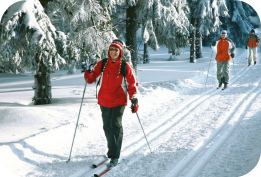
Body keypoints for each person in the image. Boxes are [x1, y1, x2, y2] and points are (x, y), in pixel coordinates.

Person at [84, 39, 138, 167]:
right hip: (104, 100)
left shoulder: (125, 66)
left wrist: (134, 99)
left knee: (115, 125)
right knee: (107, 126)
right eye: (112, 49)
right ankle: (111, 151)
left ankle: (115, 155)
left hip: (119, 100)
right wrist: (88, 74)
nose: (113, 52)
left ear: (120, 52)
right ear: (109, 51)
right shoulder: (102, 63)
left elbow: (132, 84)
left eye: (116, 50)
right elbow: (92, 78)